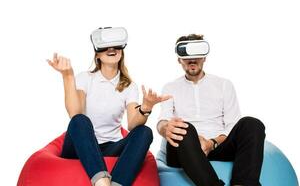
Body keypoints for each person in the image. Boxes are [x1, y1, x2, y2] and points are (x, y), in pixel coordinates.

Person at [47, 27, 170, 186]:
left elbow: (133, 124)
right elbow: (74, 112)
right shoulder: (86, 78)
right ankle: (101, 181)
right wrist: (68, 75)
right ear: (97, 54)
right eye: (106, 46)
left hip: (111, 146)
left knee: (144, 132)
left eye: (116, 46)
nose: (112, 49)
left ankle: (117, 184)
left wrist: (146, 107)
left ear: (122, 51)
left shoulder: (129, 86)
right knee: (80, 120)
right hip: (82, 147)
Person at [156, 34, 266, 186]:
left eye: (197, 55)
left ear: (205, 57)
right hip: (184, 150)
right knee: (185, 128)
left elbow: (231, 126)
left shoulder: (224, 85)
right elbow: (163, 120)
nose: (192, 60)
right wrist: (165, 128)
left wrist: (210, 143)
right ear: (179, 59)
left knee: (252, 124)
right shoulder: (170, 87)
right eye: (186, 55)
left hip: (217, 146)